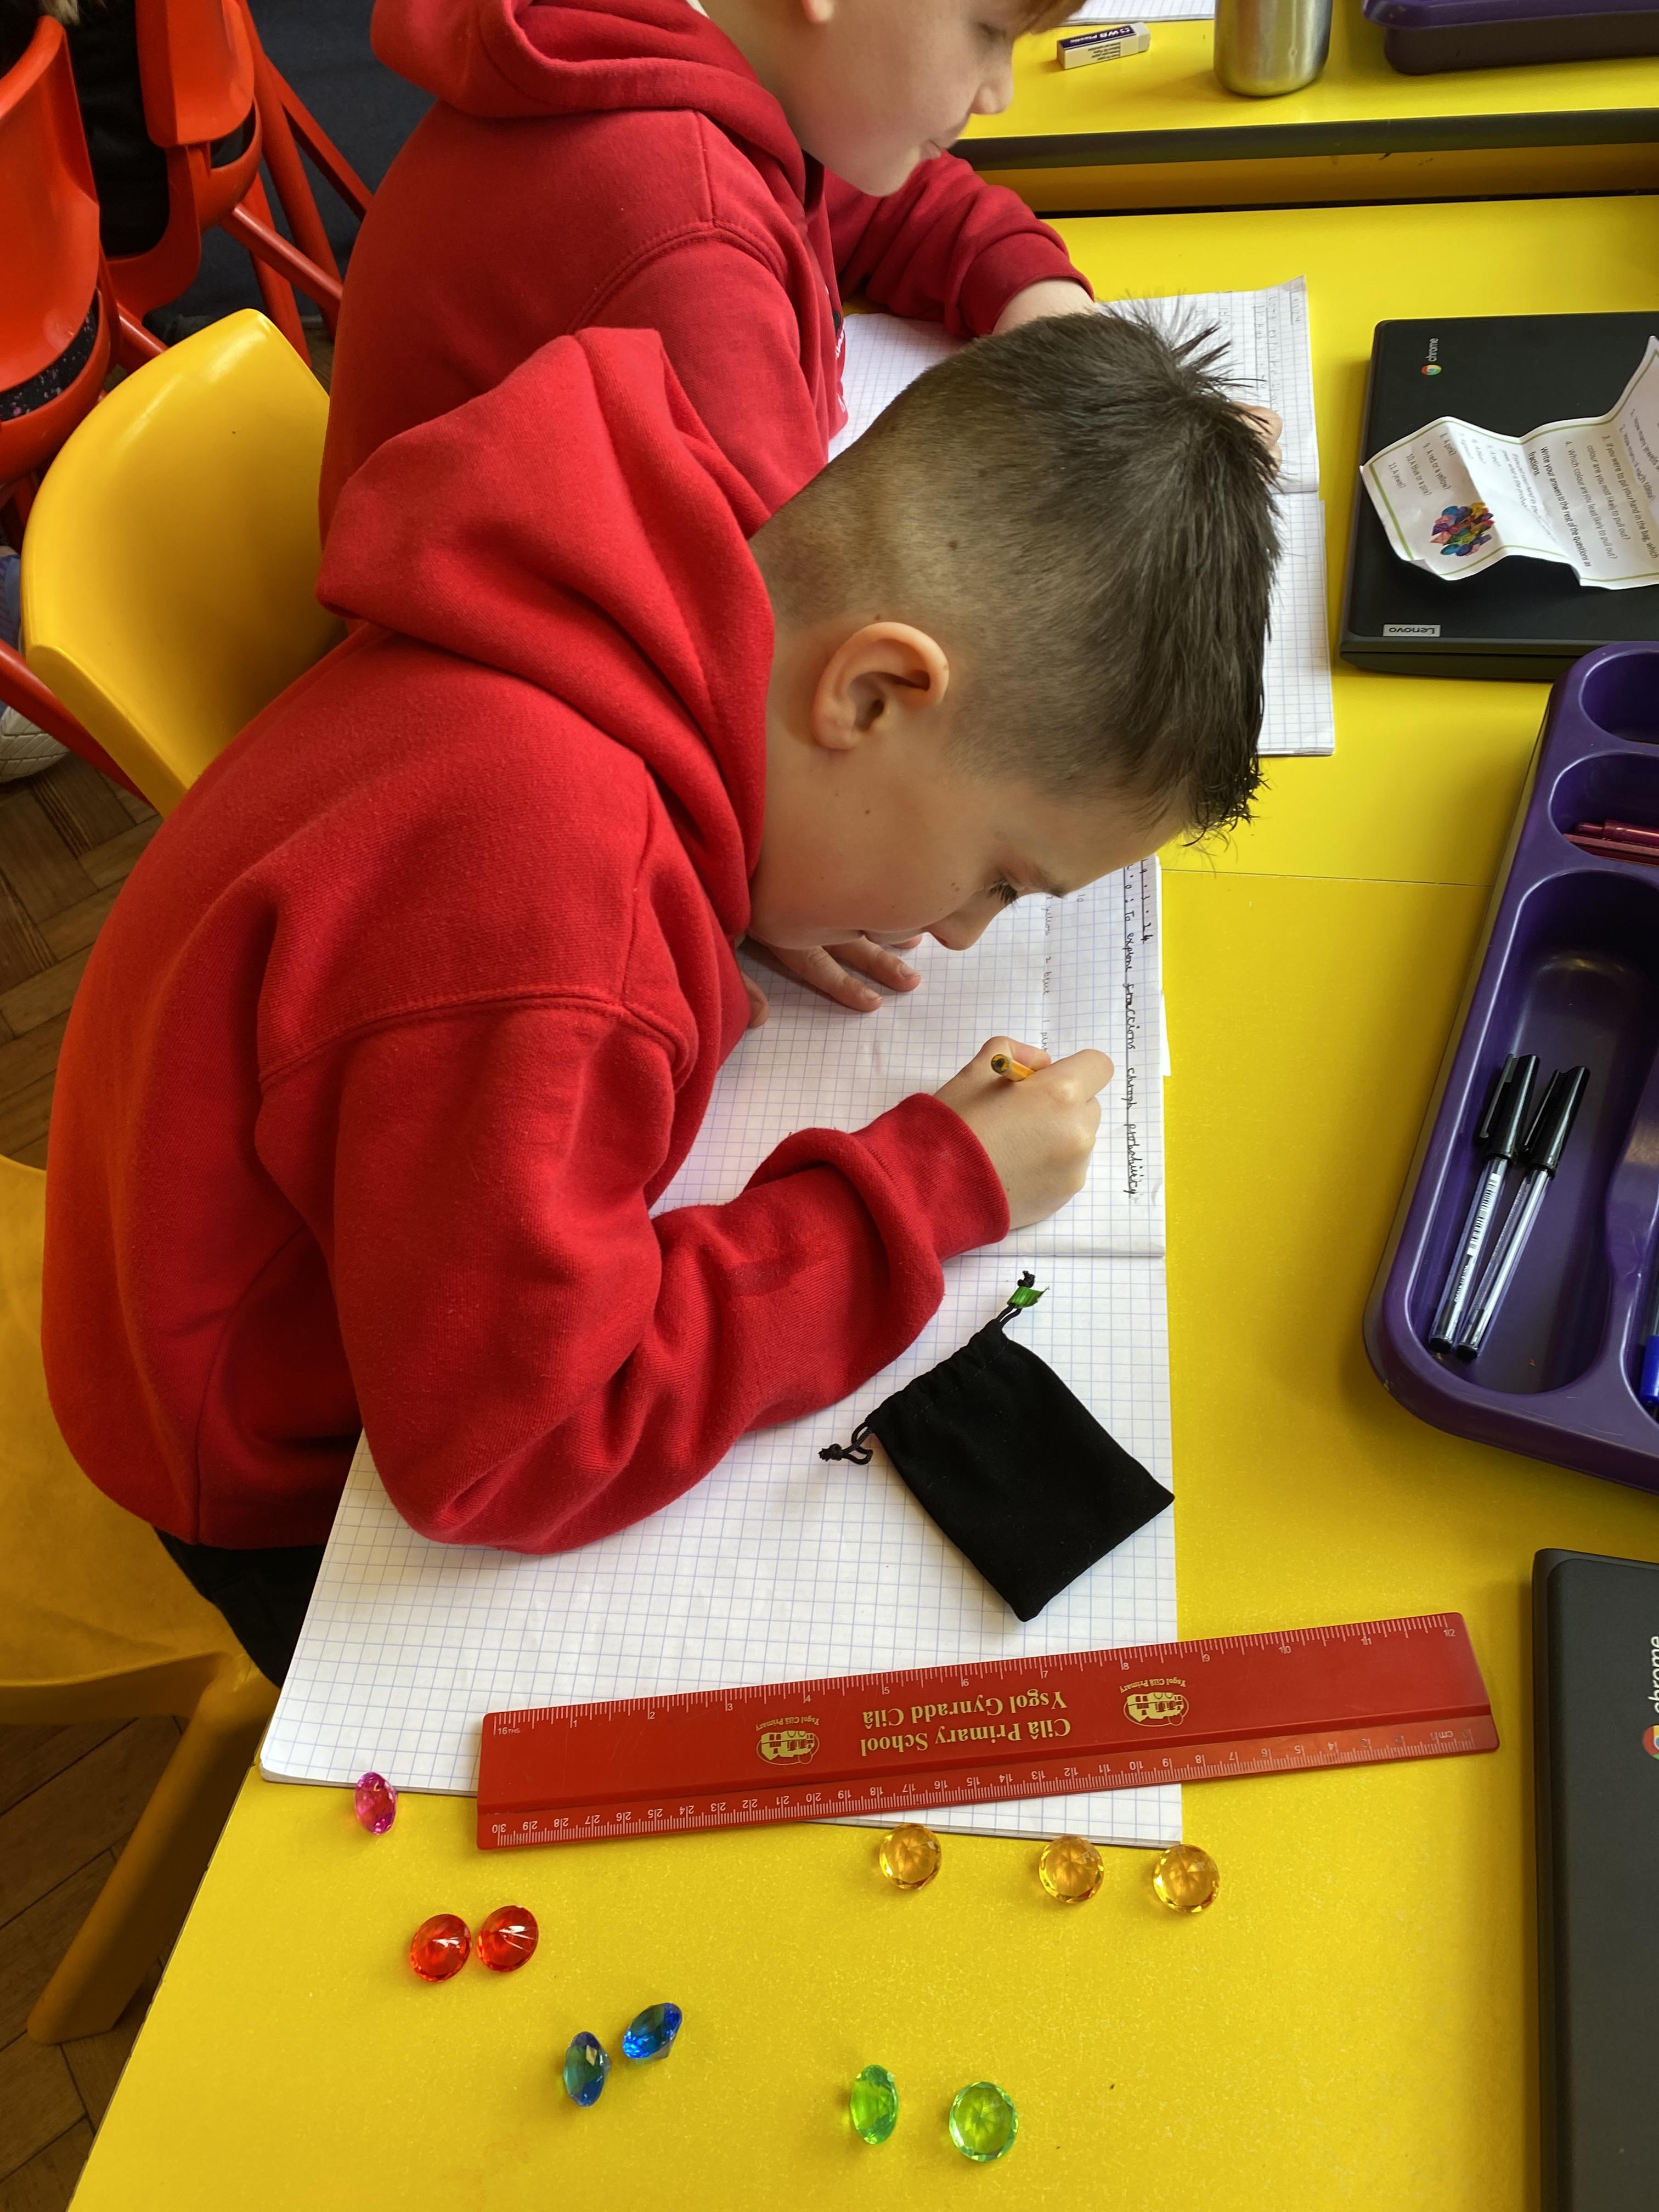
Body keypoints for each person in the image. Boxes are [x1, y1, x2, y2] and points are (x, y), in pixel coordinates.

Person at [42, 312, 1278, 1685]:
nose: (955, 930)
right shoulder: (548, 910)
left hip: (276, 1252)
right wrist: (929, 1192)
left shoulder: (665, 578)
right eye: (1000, 876)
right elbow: (523, 1445)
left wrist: (742, 880)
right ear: (872, 693)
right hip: (265, 1471)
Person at [320, 0, 1096, 538]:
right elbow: (794, 626)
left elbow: (882, 201)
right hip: (522, 702)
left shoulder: (700, 64)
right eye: (990, 32)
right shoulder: (691, 235)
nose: (1000, 92)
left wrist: (1045, 308)